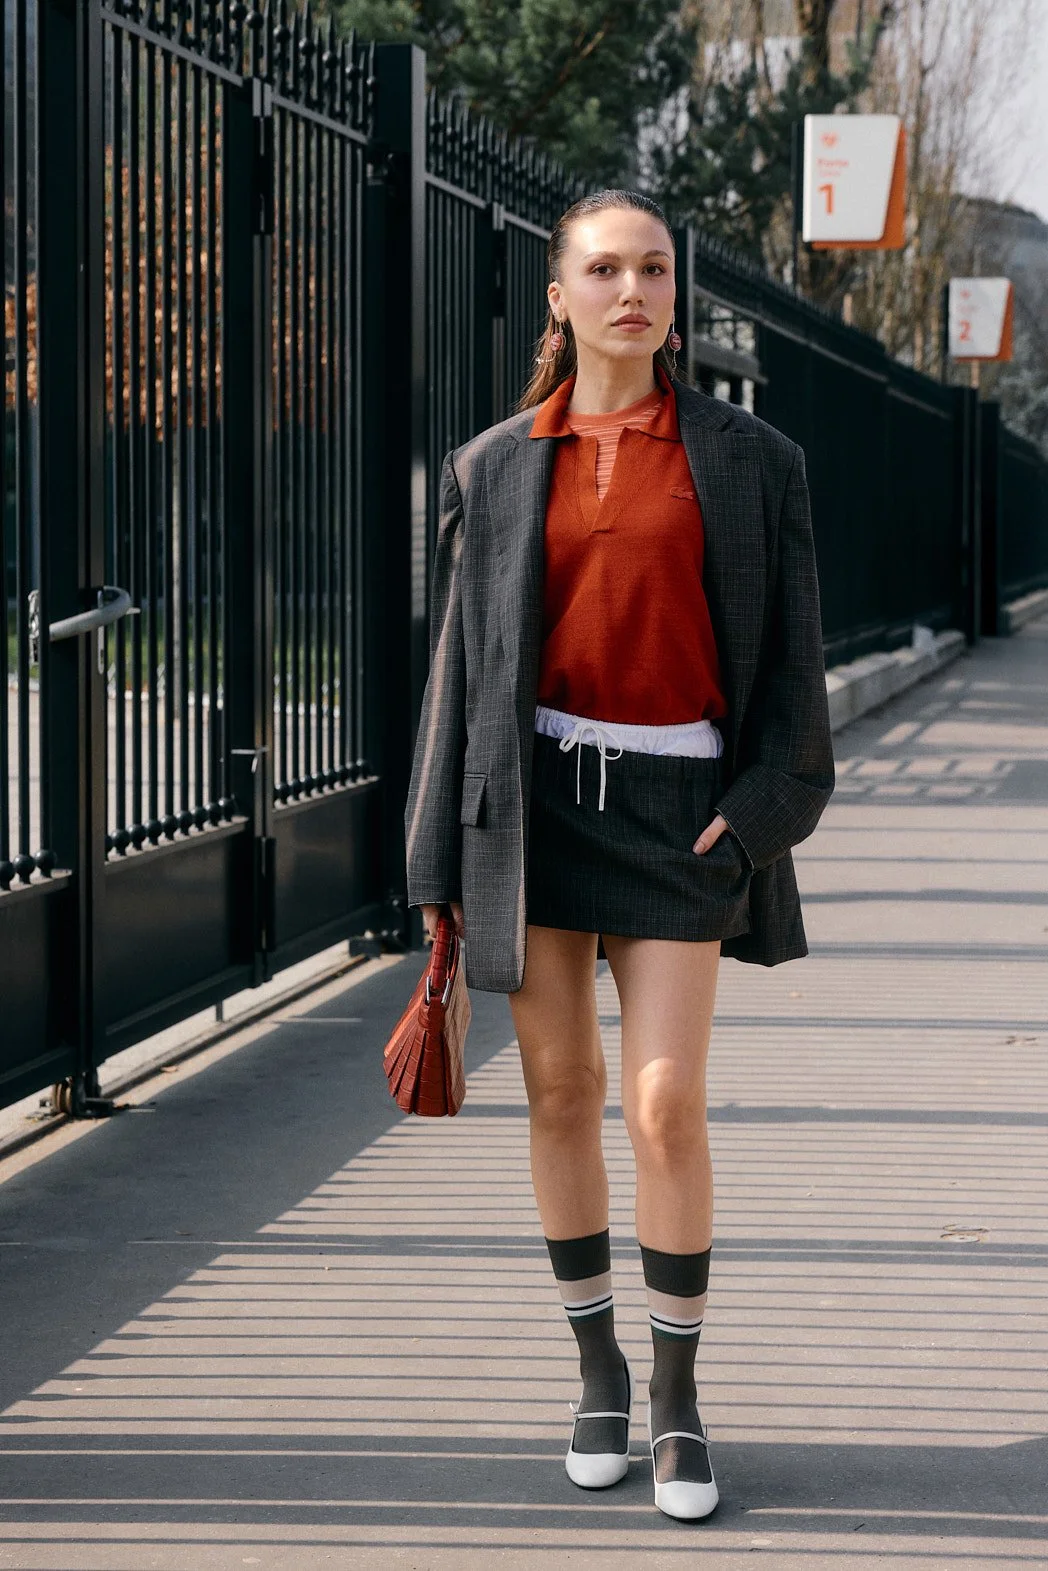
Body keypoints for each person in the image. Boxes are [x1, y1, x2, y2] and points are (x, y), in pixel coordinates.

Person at [403, 188, 834, 1520]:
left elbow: (795, 684)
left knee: (661, 1103)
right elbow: (460, 681)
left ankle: (678, 1398)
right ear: (561, 295)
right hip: (536, 814)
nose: (633, 290)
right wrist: (434, 869)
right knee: (556, 1089)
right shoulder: (492, 467)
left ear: (671, 295)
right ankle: (597, 1374)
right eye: (605, 268)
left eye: (653, 268)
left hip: (680, 818)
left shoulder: (751, 460)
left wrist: (761, 810)